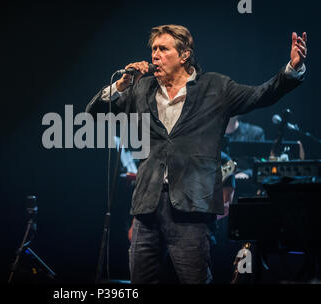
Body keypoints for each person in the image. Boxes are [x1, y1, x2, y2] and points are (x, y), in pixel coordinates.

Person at [86, 24, 307, 284]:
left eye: (163, 49)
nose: (155, 54)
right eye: (154, 49)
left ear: (184, 55)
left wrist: (292, 69)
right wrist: (121, 86)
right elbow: (95, 114)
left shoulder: (215, 88)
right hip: (147, 206)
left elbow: (262, 94)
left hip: (192, 207)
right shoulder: (141, 88)